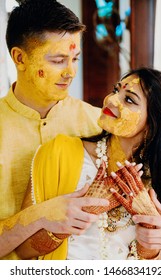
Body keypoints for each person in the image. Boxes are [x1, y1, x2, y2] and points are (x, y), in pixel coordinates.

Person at [16, 67, 161, 260]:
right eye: (116, 91)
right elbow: (22, 250)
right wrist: (83, 211)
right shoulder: (59, 152)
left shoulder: (158, 188)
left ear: (152, 125)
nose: (111, 99)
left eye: (129, 99)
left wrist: (148, 237)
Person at [0, 0, 108, 260]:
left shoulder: (99, 123)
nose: (70, 72)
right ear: (19, 57)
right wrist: (41, 215)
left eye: (75, 59)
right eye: (59, 60)